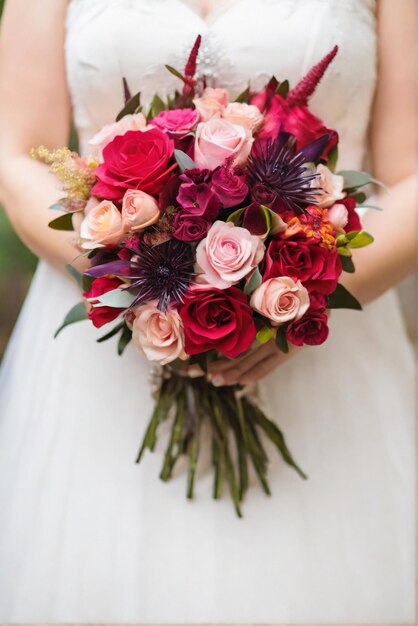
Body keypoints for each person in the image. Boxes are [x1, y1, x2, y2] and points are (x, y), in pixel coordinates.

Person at [0, 0, 415, 622]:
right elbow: (19, 157)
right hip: (102, 358)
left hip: (325, 344)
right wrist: (134, 281)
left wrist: (292, 305)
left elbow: (413, 175)